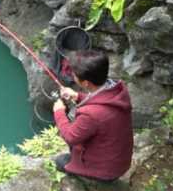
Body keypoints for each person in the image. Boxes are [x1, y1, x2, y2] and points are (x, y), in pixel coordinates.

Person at [52, 50, 133, 181]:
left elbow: (70, 137)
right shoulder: (119, 91)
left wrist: (59, 112)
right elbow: (102, 101)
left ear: (85, 83)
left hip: (105, 171)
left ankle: (91, 179)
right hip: (119, 162)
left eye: (74, 74)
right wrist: (77, 96)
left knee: (60, 161)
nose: (72, 75)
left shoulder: (91, 114)